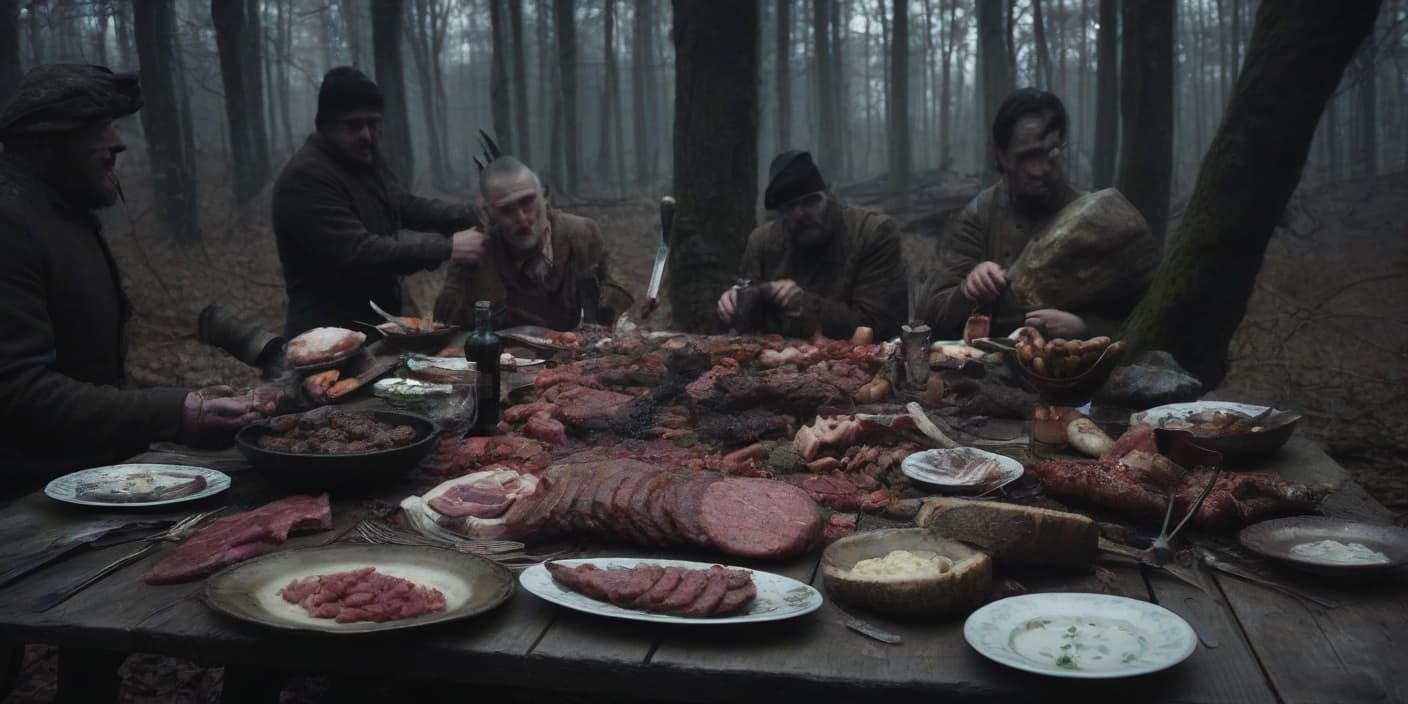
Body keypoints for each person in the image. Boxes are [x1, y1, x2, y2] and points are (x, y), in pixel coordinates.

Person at [0, 64, 270, 486]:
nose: (116, 143)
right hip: (28, 499)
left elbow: (101, 358)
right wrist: (173, 411)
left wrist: (193, 397)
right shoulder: (11, 225)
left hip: (86, 474)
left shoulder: (62, 214)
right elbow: (18, 392)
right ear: (47, 142)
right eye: (95, 128)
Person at [273, 66, 483, 336]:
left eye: (373, 123)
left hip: (377, 327)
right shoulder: (306, 177)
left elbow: (406, 206)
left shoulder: (363, 160)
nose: (367, 135)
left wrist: (474, 213)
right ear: (326, 125)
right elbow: (360, 252)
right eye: (354, 125)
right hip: (327, 336)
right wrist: (447, 247)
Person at [917, 88, 1142, 340]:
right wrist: (968, 290)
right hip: (986, 369)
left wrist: (1084, 328)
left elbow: (1141, 315)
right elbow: (930, 316)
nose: (1043, 169)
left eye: (1052, 152)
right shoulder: (978, 216)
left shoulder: (1097, 218)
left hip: (1074, 371)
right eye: (1029, 156)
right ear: (1002, 156)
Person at [716, 151, 907, 341]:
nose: (801, 213)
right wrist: (735, 302)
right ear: (781, 212)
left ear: (827, 196)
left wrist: (804, 305)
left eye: (811, 201)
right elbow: (746, 324)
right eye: (790, 206)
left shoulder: (872, 233)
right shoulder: (762, 241)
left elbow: (879, 325)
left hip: (859, 361)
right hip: (778, 361)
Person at [433, 156, 633, 330]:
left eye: (528, 202)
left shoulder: (582, 235)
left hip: (578, 362)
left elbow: (615, 301)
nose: (522, 218)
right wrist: (463, 273)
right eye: (507, 210)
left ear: (544, 197)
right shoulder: (476, 254)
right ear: (488, 213)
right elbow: (447, 328)